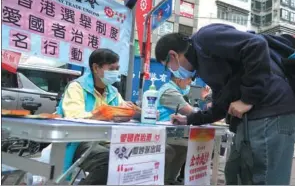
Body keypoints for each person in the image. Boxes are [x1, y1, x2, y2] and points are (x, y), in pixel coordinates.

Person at [154, 24, 295, 185]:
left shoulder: (205, 38)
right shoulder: (203, 65)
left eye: (167, 67)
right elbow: (221, 104)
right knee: (234, 174)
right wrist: (190, 119)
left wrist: (247, 99)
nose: (171, 71)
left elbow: (256, 44)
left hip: (271, 110)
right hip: (248, 118)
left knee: (264, 178)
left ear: (173, 55)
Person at [56, 49, 177, 185]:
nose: (115, 72)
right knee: (107, 161)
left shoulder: (113, 91)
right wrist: (103, 115)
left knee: (164, 151)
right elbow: (74, 116)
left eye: (117, 68)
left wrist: (144, 113)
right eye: (111, 68)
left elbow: (124, 110)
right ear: (96, 68)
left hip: (111, 140)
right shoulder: (77, 87)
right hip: (81, 140)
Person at [156, 74, 194, 184]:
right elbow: (189, 111)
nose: (190, 82)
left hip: (172, 132)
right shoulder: (170, 92)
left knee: (183, 147)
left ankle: (169, 180)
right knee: (180, 147)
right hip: (164, 133)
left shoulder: (176, 91)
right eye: (189, 79)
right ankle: (166, 180)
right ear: (178, 80)